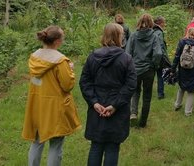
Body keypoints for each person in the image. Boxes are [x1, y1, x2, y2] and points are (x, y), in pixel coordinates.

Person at [22, 25, 81, 166]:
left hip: (37, 106)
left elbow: (35, 81)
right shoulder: (61, 61)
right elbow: (67, 86)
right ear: (57, 42)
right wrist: (70, 71)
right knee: (56, 145)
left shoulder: (34, 58)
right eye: (63, 38)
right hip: (55, 108)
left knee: (36, 142)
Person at [79, 23, 137, 166]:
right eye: (122, 34)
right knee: (111, 147)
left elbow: (84, 82)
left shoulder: (92, 57)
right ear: (118, 37)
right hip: (113, 107)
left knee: (96, 145)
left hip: (100, 107)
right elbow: (130, 85)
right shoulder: (126, 59)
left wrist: (95, 103)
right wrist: (112, 105)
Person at [126, 13, 163, 128]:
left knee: (135, 91)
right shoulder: (154, 36)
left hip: (134, 69)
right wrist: (154, 64)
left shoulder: (133, 35)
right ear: (151, 23)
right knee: (147, 95)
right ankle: (143, 122)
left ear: (139, 22)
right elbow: (158, 53)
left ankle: (133, 113)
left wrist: (130, 65)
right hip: (148, 70)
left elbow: (127, 53)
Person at [171, 27, 194, 116]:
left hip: (182, 68)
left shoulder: (182, 42)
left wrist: (173, 68)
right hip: (193, 69)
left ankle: (177, 105)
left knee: (181, 86)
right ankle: (188, 112)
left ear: (187, 32)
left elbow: (177, 55)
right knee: (191, 90)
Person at [153, 16, 169, 99]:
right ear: (160, 23)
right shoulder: (159, 32)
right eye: (164, 22)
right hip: (159, 57)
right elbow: (161, 46)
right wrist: (165, 58)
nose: (165, 24)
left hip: (151, 57)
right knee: (160, 76)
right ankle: (160, 94)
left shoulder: (152, 30)